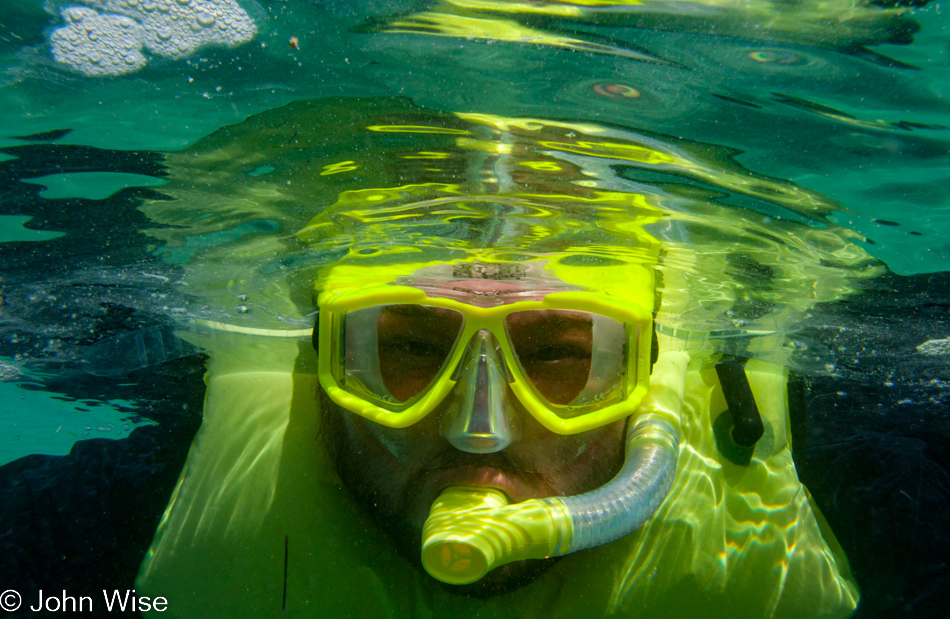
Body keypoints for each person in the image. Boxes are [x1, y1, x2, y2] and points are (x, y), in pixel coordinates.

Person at [132, 99, 870, 618]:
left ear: (646, 377)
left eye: (558, 360)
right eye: (412, 350)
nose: (478, 432)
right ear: (319, 363)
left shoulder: (843, 478)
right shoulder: (160, 489)